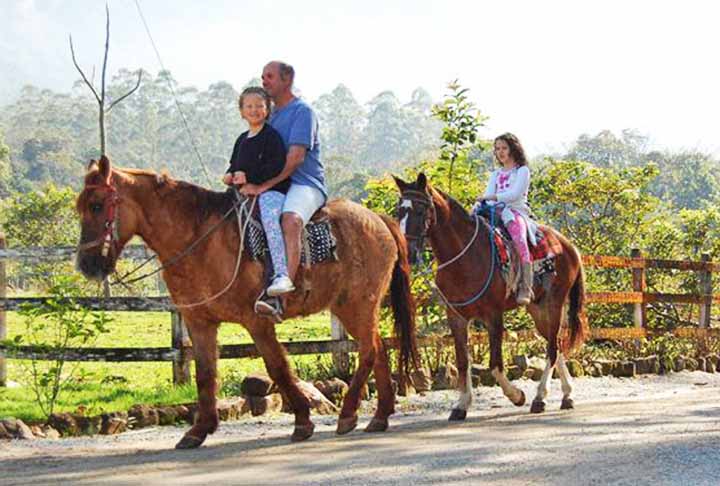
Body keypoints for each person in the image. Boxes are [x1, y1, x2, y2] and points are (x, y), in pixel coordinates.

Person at [240, 61, 328, 306]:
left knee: (290, 220)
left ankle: (282, 290)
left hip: (304, 183)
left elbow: (295, 159)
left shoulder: (303, 112)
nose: (264, 81)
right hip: (277, 184)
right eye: (262, 77)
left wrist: (263, 186)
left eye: (269, 77)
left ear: (287, 80)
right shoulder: (270, 115)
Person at [224, 86, 295, 298]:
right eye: (249, 106)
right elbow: (234, 164)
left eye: (259, 106)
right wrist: (229, 175)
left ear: (267, 109)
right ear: (241, 111)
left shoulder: (271, 137)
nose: (254, 110)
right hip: (244, 193)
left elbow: (276, 165)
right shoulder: (242, 139)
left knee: (269, 217)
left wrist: (249, 176)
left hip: (272, 191)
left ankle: (281, 273)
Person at [476, 132, 537, 305]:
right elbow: (488, 194)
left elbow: (515, 194)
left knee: (519, 239)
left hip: (515, 211)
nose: (500, 152)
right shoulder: (496, 173)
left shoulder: (522, 170)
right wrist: (482, 202)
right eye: (497, 149)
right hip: (493, 209)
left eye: (504, 148)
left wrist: (494, 198)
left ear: (513, 149)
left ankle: (526, 286)